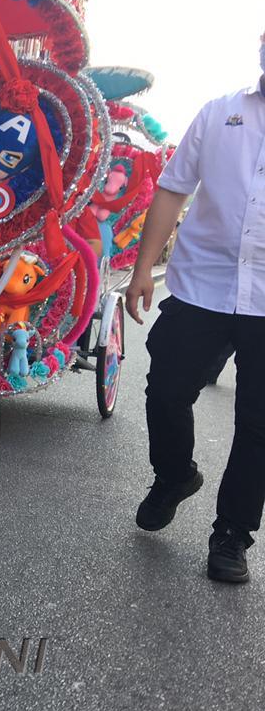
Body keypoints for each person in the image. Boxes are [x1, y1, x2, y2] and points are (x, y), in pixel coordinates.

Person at [126, 30, 265, 584]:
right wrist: (142, 269)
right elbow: (172, 188)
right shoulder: (219, 114)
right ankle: (174, 474)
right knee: (165, 391)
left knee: (258, 424)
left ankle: (233, 534)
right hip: (200, 284)